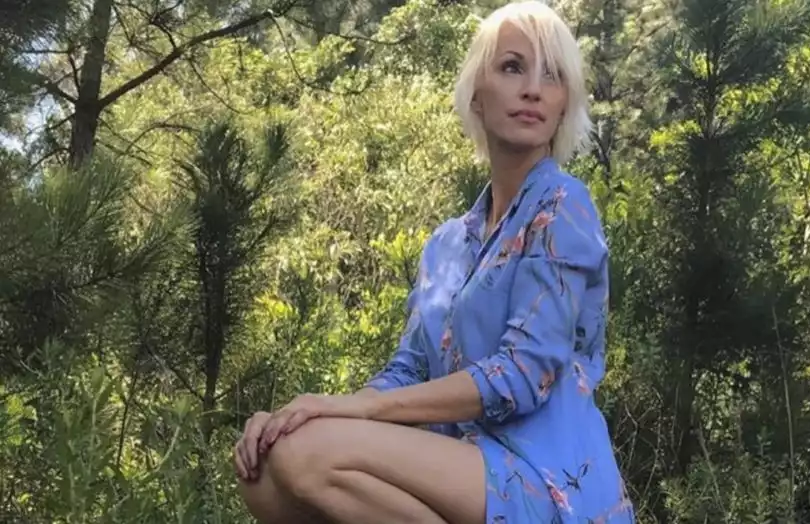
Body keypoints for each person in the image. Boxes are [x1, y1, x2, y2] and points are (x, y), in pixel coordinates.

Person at [233, 1, 635, 522]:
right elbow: (410, 369)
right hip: (465, 468)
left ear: (564, 106)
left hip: (547, 479)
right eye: (512, 67)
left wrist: (353, 412)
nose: (533, 89)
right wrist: (314, 411)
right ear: (476, 93)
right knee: (265, 471)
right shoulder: (446, 245)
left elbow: (521, 375)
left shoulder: (563, 206)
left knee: (306, 456)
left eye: (552, 76)